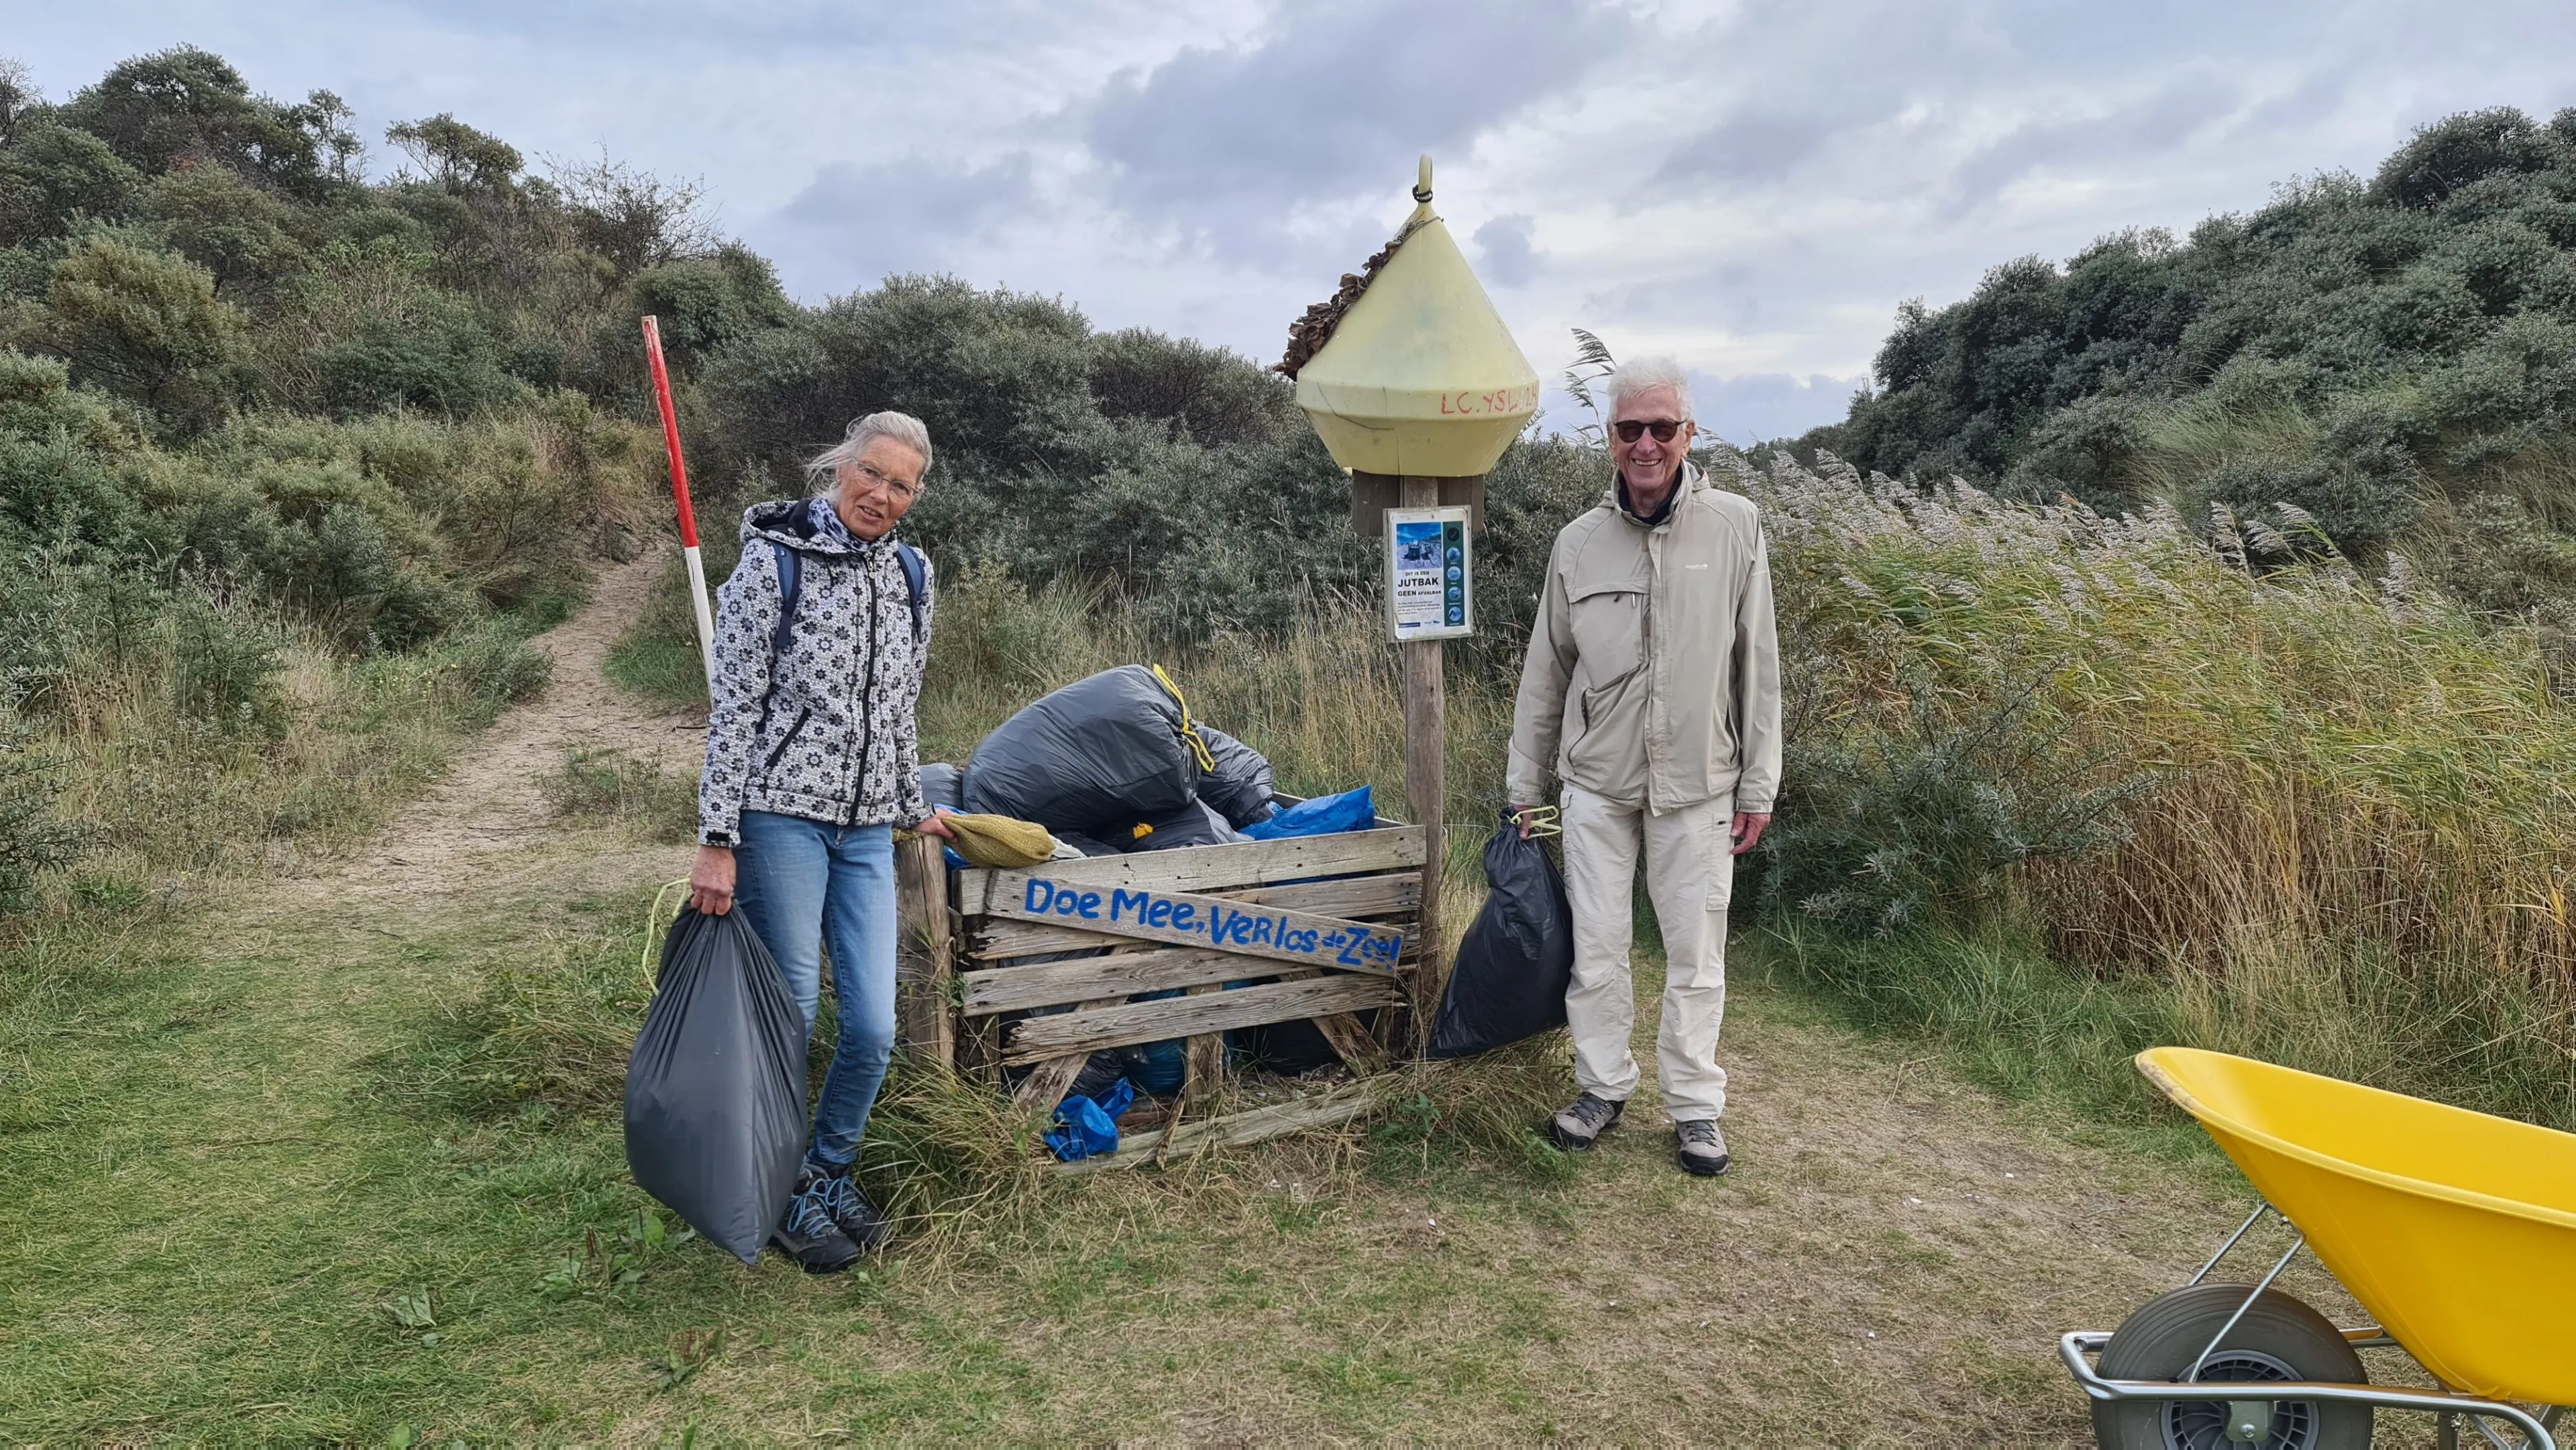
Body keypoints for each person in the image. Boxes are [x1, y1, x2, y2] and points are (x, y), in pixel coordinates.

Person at [689, 411, 957, 1272]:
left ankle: (825, 1174)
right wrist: (718, 835)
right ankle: (768, 1186)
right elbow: (733, 708)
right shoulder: (774, 562)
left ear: (916, 496)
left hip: (869, 829)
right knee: (794, 1013)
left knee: (874, 1027)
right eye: (870, 474)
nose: (881, 495)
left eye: (901, 485)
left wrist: (913, 803)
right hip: (780, 818)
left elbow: (901, 708)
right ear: (838, 468)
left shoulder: (914, 574)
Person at [1504, 356, 1781, 1178]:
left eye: (1664, 427)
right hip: (1594, 785)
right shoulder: (1577, 544)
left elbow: (1756, 662)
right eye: (1632, 429)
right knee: (1598, 948)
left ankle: (1695, 1107)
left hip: (1700, 784)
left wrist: (1758, 782)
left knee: (1697, 958)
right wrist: (1525, 785)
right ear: (1611, 440)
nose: (1648, 443)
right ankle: (1601, 1086)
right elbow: (1545, 671)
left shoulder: (1736, 525)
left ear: (1690, 433)